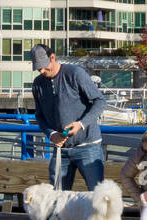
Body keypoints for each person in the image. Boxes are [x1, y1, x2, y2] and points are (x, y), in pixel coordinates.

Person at [31, 44, 107, 191]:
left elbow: (100, 101)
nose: (41, 70)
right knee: (56, 197)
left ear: (52, 58)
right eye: (37, 68)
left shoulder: (75, 73)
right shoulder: (37, 84)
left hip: (88, 146)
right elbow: (39, 116)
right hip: (61, 149)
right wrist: (52, 134)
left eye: (43, 66)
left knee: (98, 195)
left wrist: (81, 124)